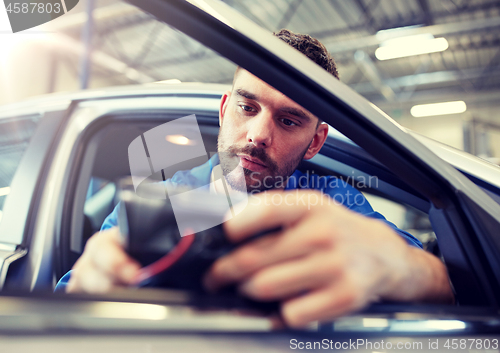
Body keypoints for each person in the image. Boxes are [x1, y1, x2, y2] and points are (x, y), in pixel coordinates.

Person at [57, 29, 454, 327]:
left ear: (315, 141)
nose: (259, 135)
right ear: (225, 109)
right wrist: (86, 291)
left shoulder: (334, 206)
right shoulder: (161, 200)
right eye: (248, 107)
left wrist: (403, 267)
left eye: (288, 120)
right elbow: (64, 303)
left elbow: (444, 288)